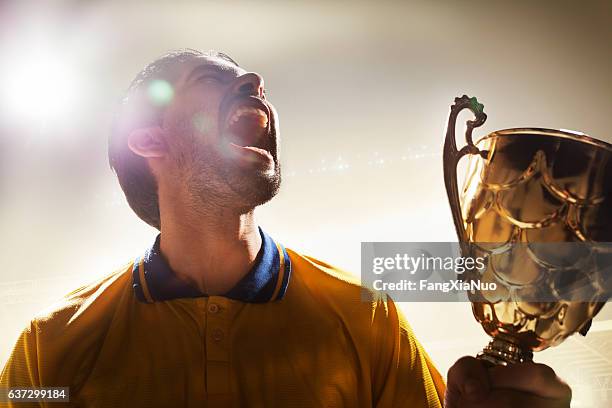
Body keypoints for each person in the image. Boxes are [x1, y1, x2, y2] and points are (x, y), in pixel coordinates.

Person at [0, 49, 571, 407]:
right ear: (149, 139)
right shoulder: (48, 354)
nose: (254, 79)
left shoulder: (369, 319)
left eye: (252, 82)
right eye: (209, 77)